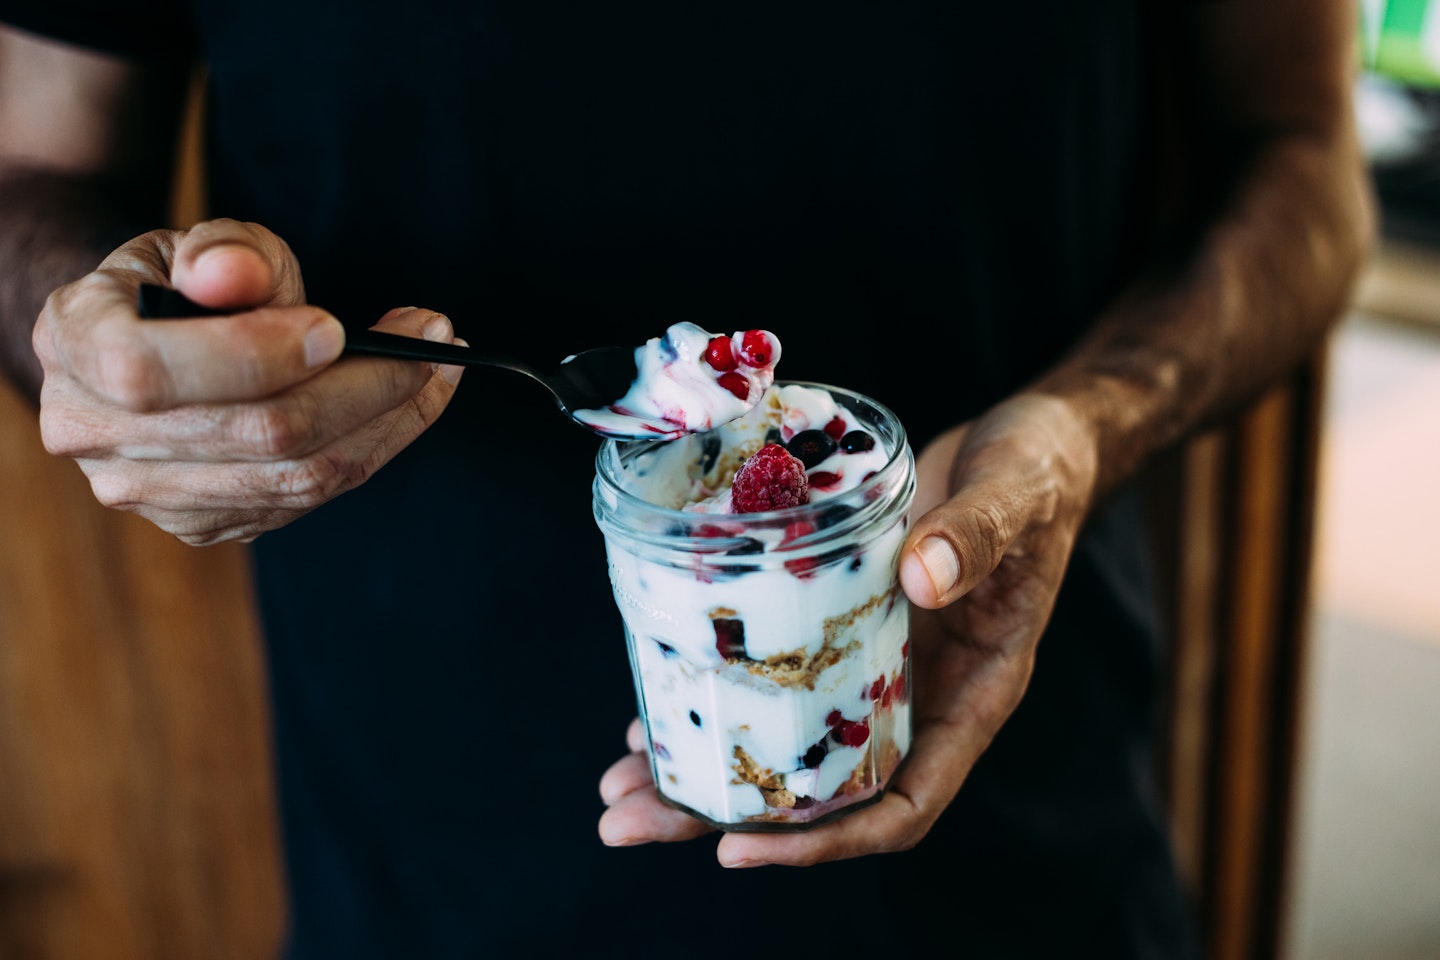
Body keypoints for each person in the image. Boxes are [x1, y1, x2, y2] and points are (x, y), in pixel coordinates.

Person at [0, 1, 1372, 957]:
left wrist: (1088, 424)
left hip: (1004, 792)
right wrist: (103, 349)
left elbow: (1306, 162)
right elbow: (36, 166)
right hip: (429, 864)